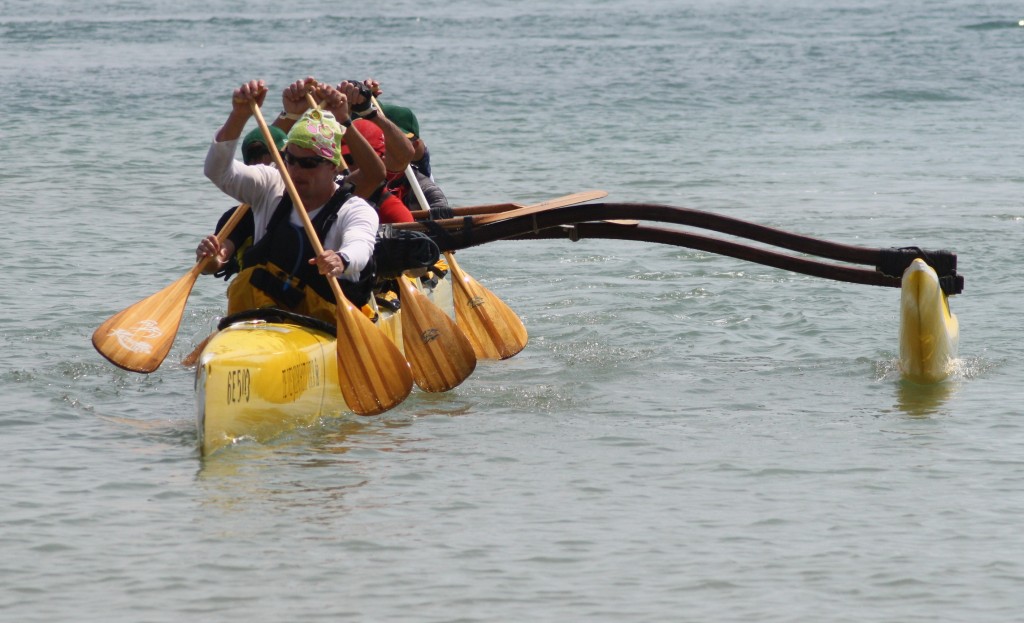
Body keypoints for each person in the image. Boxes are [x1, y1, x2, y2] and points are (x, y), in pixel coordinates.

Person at [197, 79, 384, 324]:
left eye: (308, 164)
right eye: (290, 160)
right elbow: (217, 171)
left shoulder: (355, 210)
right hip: (256, 321)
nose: (296, 171)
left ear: (332, 166)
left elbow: (360, 245)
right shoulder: (271, 186)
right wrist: (239, 115)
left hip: (320, 326)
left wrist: (341, 259)